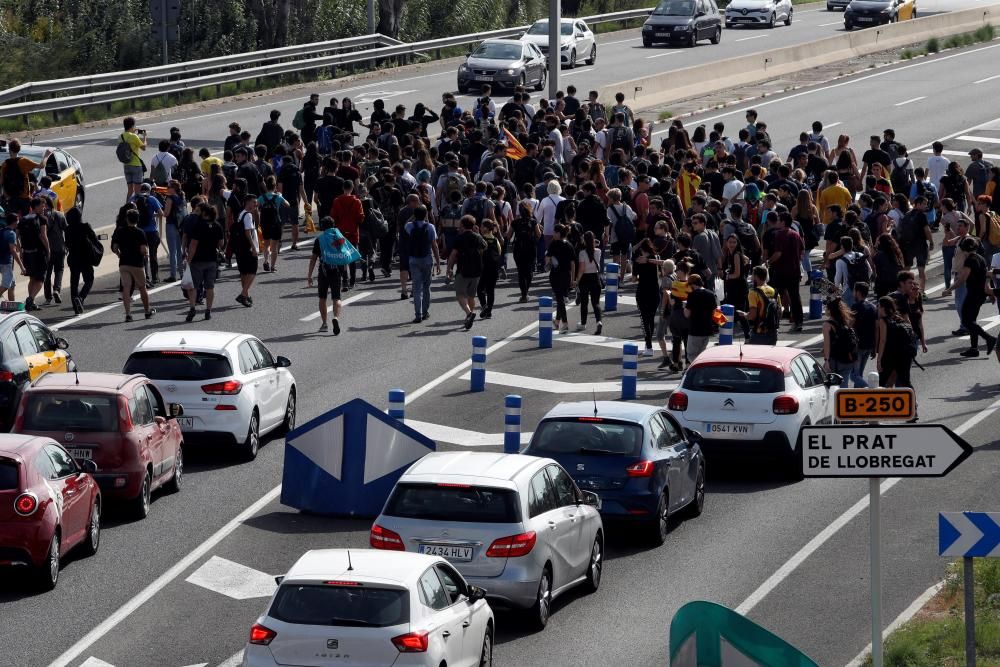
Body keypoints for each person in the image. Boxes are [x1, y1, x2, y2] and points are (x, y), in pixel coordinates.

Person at [943, 236, 997, 359]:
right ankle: (974, 348)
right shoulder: (981, 258)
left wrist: (949, 289)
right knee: (971, 320)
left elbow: (962, 279)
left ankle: (989, 339)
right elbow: (986, 277)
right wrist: (989, 293)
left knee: (967, 320)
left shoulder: (970, 260)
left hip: (973, 294)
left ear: (963, 249)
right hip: (980, 294)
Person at [306, 216, 351, 334]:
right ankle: (335, 317)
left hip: (324, 270)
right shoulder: (340, 237)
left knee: (322, 298)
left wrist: (309, 275)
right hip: (336, 270)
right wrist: (345, 273)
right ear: (333, 225)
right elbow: (345, 255)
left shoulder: (319, 239)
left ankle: (324, 323)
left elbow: (313, 258)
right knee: (337, 298)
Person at [111, 209, 154, 322]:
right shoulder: (140, 232)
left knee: (126, 287)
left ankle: (128, 314)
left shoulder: (120, 231)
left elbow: (115, 247)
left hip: (124, 263)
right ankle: (147, 311)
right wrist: (146, 256)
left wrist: (120, 254)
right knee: (142, 287)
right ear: (137, 219)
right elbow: (143, 250)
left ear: (127, 219)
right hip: (137, 263)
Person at [184, 204, 224, 322]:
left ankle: (192, 308)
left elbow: (193, 244)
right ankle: (208, 311)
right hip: (212, 260)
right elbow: (221, 244)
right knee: (209, 287)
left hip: (197, 261)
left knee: (194, 287)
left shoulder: (199, 225)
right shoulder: (217, 226)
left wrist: (188, 260)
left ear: (204, 213)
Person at [447, 215, 487, 330]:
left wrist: (449, 268)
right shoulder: (477, 237)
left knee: (460, 294)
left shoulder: (459, 238)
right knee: (471, 295)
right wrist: (478, 234)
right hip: (476, 270)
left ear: (463, 225)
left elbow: (453, 255)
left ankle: (469, 314)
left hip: (463, 270)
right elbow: (485, 246)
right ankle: (469, 316)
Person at [405, 205, 440, 323]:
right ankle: (425, 311)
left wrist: (413, 216)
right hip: (427, 258)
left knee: (416, 287)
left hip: (414, 259)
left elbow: (406, 223)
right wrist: (438, 262)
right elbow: (434, 245)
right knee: (426, 287)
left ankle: (418, 314)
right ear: (426, 215)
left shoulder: (410, 226)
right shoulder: (430, 227)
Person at [18, 197, 50, 311]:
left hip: (27, 253)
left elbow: (18, 236)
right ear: (36, 206)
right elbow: (43, 236)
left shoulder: (23, 219)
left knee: (32, 278)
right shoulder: (42, 219)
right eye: (42, 205)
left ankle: (32, 302)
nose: (44, 208)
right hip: (39, 253)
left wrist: (21, 251)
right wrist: (48, 250)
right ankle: (30, 299)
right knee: (41, 278)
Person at [2, 139, 50, 215]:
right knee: (26, 221)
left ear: (9, 149)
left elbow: (2, 182)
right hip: (24, 198)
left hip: (11, 198)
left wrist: (7, 196)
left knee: (13, 221)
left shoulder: (5, 164)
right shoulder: (23, 161)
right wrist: (46, 155)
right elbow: (41, 165)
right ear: (19, 149)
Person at [875, 296, 914, 388]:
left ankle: (881, 401)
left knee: (881, 382)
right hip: (904, 355)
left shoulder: (883, 320)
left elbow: (883, 341)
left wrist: (879, 360)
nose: (877, 308)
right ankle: (913, 400)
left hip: (889, 355)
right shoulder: (898, 318)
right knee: (905, 381)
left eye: (878, 306)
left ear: (883, 308)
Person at [64, 207, 98, 314]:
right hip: (85, 258)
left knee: (74, 283)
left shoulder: (68, 229)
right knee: (89, 279)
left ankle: (76, 307)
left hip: (73, 259)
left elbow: (68, 244)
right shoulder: (85, 226)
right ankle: (81, 297)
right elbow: (94, 239)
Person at [130, 183, 165, 285]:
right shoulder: (152, 199)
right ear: (150, 190)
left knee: (142, 255)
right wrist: (152, 214)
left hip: (140, 231)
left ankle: (145, 277)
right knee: (153, 255)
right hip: (152, 231)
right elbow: (161, 213)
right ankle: (155, 277)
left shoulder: (134, 198)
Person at [546, 224, 577, 334]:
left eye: (554, 232)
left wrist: (548, 263)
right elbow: (573, 263)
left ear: (558, 233)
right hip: (567, 276)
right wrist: (573, 279)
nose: (553, 234)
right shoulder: (569, 245)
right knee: (561, 299)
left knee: (559, 299)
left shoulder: (553, 244)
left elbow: (547, 259)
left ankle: (565, 323)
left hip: (555, 275)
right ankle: (557, 321)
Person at [822, 297, 857, 388]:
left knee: (830, 388)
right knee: (843, 388)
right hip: (848, 360)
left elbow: (827, 345)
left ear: (830, 310)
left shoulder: (827, 325)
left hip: (835, 361)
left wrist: (826, 361)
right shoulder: (845, 321)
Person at [257, 176, 290, 273]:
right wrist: (280, 195)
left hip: (265, 223)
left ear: (266, 186)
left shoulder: (261, 197)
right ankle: (273, 266)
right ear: (275, 186)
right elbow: (287, 205)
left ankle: (266, 260)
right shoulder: (278, 197)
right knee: (274, 246)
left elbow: (256, 207)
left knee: (266, 244)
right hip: (276, 223)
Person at [509, 200, 540, 302]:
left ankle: (524, 294)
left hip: (518, 248)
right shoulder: (533, 222)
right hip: (531, 248)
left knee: (521, 271)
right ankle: (526, 291)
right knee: (529, 270)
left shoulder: (515, 222)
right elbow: (538, 235)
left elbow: (508, 236)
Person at [233, 196, 260, 307]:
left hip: (240, 248)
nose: (255, 204)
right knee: (252, 271)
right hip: (248, 248)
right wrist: (253, 247)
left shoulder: (241, 214)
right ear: (247, 202)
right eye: (254, 202)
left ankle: (246, 295)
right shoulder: (248, 215)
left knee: (244, 272)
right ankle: (243, 294)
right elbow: (248, 233)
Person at [575, 231, 603, 334]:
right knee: (596, 303)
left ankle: (583, 323)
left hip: (585, 279)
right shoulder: (598, 251)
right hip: (595, 278)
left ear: (584, 241)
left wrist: (577, 280)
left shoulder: (582, 253)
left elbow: (582, 269)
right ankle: (599, 321)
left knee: (584, 302)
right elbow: (596, 244)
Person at [683, 274, 716, 362]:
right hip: (707, 329)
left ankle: (697, 371)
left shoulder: (692, 295)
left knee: (691, 354)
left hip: (695, 329)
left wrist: (684, 306)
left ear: (692, 284)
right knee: (702, 353)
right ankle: (701, 371)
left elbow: (687, 314)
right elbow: (714, 313)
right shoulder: (711, 294)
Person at [743, 265, 779, 345]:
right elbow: (779, 312)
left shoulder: (753, 292)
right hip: (773, 332)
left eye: (752, 274)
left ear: (756, 277)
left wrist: (745, 315)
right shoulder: (773, 291)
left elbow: (753, 315)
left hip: (759, 332)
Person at [850, 283, 877, 387]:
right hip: (869, 345)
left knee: (854, 375)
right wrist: (874, 347)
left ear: (858, 292)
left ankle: (869, 389)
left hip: (858, 345)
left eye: (854, 291)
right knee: (859, 373)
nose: (853, 293)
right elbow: (876, 328)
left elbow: (851, 325)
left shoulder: (855, 306)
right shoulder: (873, 307)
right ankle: (859, 395)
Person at [43, 197, 67, 305]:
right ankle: (57, 290)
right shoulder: (60, 215)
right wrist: (66, 245)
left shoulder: (41, 218)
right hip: (59, 247)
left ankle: (48, 297)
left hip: (46, 250)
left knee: (47, 273)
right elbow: (66, 230)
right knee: (59, 270)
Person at [477, 219, 502, 319]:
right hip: (494, 269)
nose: (481, 228)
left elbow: (479, 253)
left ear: (486, 228)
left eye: (482, 226)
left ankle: (484, 306)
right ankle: (489, 311)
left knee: (480, 289)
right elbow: (499, 253)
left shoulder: (482, 239)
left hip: (484, 268)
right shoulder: (495, 240)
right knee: (490, 290)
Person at [119, 117, 147, 200]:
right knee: (137, 191)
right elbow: (143, 147)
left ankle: (127, 208)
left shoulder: (120, 137)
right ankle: (136, 209)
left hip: (126, 165)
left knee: (130, 191)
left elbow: (129, 141)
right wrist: (145, 137)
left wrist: (134, 134)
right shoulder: (134, 137)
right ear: (132, 126)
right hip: (136, 165)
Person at [0, 213, 23, 300]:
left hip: (1, 261)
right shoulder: (11, 233)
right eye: (18, 220)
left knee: (12, 285)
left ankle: (12, 306)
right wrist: (22, 266)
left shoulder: (1, 231)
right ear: (14, 222)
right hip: (6, 263)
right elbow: (13, 251)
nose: (19, 222)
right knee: (6, 285)